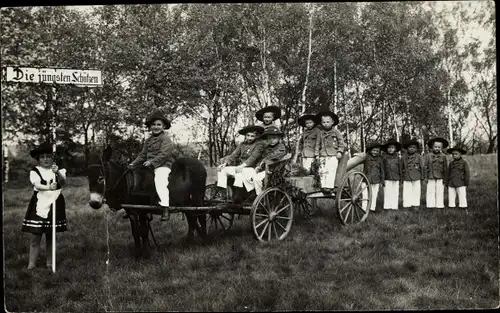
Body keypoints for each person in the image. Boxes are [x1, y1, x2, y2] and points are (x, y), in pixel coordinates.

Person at [22, 142, 67, 270]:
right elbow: (37, 185)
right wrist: (48, 187)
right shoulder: (35, 171)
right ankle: (31, 264)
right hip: (39, 204)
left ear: (52, 158)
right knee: (36, 236)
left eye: (48, 156)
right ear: (38, 159)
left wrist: (57, 173)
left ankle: (49, 263)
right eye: (42, 157)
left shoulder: (59, 170)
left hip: (55, 203)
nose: (45, 159)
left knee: (50, 236)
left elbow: (63, 182)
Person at [129, 110, 174, 220]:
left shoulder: (165, 139)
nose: (156, 127)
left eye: (159, 124)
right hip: (148, 166)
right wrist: (133, 163)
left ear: (163, 126)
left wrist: (152, 162)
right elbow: (142, 155)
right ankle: (141, 206)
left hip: (162, 165)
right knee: (135, 179)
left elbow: (164, 154)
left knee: (160, 181)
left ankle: (165, 207)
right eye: (153, 124)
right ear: (150, 127)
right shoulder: (148, 140)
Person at [217, 125, 265, 194]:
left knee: (239, 175)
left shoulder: (259, 145)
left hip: (251, 169)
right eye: (248, 135)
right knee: (222, 170)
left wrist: (242, 166)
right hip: (241, 168)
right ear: (245, 136)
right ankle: (223, 192)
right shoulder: (242, 145)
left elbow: (253, 158)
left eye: (252, 136)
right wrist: (225, 164)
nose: (249, 138)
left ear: (256, 136)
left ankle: (238, 195)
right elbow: (233, 155)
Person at [314, 110, 345, 193]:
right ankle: (323, 186)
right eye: (323, 122)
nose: (325, 124)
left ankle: (330, 187)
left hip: (333, 154)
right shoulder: (320, 133)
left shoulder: (336, 132)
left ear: (332, 122)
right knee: (322, 171)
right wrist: (317, 155)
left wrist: (340, 151)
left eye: (328, 122)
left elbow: (341, 143)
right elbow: (317, 144)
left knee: (331, 170)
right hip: (323, 155)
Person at [252, 126, 288, 195]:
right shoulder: (266, 148)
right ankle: (258, 194)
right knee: (251, 177)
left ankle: (259, 196)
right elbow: (261, 159)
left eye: (274, 138)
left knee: (257, 179)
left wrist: (266, 159)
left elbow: (276, 155)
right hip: (266, 169)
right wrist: (258, 166)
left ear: (278, 138)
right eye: (269, 139)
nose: (271, 140)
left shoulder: (281, 147)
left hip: (276, 170)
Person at [424, 137, 449, 209]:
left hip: (440, 176)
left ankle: (439, 205)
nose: (437, 148)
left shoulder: (444, 156)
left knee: (440, 191)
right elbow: (425, 167)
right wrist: (425, 177)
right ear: (432, 147)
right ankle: (430, 205)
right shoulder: (428, 156)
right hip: (430, 176)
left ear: (442, 148)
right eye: (435, 147)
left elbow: (445, 168)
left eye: (439, 147)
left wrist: (445, 178)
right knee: (430, 191)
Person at [401, 139, 425, 210]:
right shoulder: (403, 157)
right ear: (407, 148)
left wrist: (422, 177)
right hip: (407, 176)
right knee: (407, 191)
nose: (412, 149)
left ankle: (416, 205)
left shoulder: (419, 157)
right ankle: (407, 205)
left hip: (416, 176)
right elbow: (401, 168)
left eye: (414, 147)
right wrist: (401, 178)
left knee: (416, 191)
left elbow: (422, 167)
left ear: (416, 149)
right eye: (410, 147)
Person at [445, 145, 470, 210]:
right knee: (451, 195)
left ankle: (463, 206)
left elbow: (467, 173)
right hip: (451, 182)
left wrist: (466, 182)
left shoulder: (464, 163)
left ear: (460, 154)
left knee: (462, 194)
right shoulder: (451, 163)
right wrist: (446, 182)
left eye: (456, 154)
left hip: (461, 182)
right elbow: (448, 172)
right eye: (453, 154)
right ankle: (451, 205)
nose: (454, 155)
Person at [362, 142, 385, 212]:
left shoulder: (380, 159)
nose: (375, 152)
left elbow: (382, 170)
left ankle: (372, 208)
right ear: (370, 150)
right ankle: (364, 209)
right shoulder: (366, 157)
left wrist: (382, 181)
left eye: (377, 151)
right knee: (365, 195)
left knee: (374, 194)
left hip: (376, 180)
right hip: (366, 179)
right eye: (373, 150)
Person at [382, 138, 402, 210]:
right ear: (387, 149)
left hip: (396, 177)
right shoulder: (383, 157)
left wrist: (401, 178)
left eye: (392, 148)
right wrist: (383, 179)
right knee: (387, 192)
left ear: (395, 149)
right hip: (387, 177)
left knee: (395, 192)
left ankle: (394, 206)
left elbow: (400, 168)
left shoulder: (398, 157)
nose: (390, 149)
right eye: (389, 148)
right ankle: (387, 206)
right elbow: (382, 169)